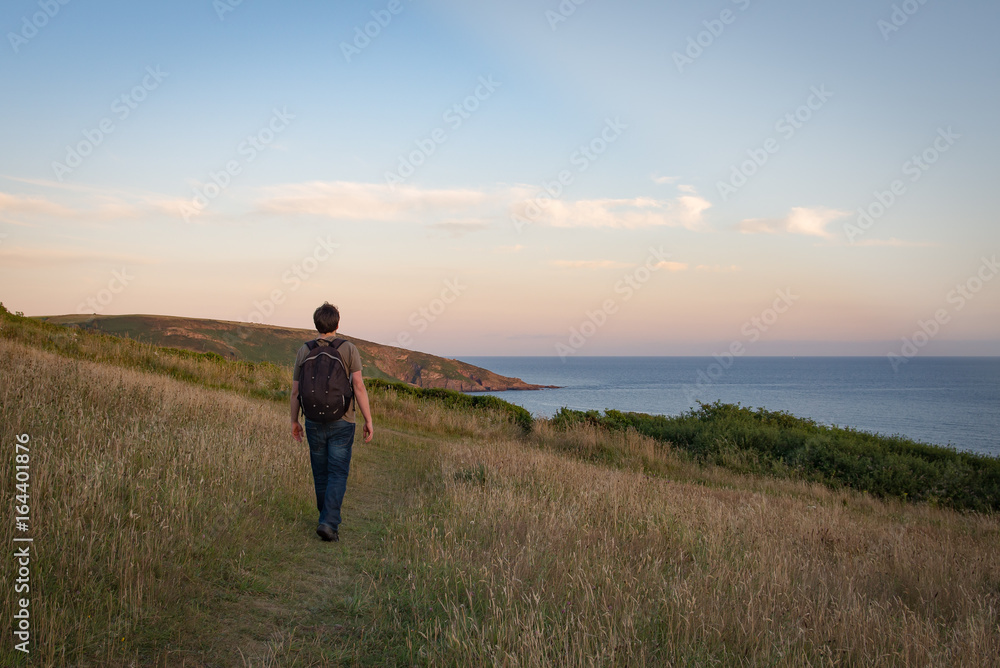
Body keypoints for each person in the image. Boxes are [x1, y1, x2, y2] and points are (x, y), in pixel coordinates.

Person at [290, 302, 374, 542]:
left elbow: (296, 392)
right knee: (337, 472)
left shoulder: (304, 351)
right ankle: (328, 522)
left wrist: (294, 420)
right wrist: (368, 420)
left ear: (316, 324)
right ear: (337, 324)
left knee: (320, 473)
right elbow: (358, 386)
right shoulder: (348, 349)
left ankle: (325, 518)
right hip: (343, 420)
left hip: (313, 420)